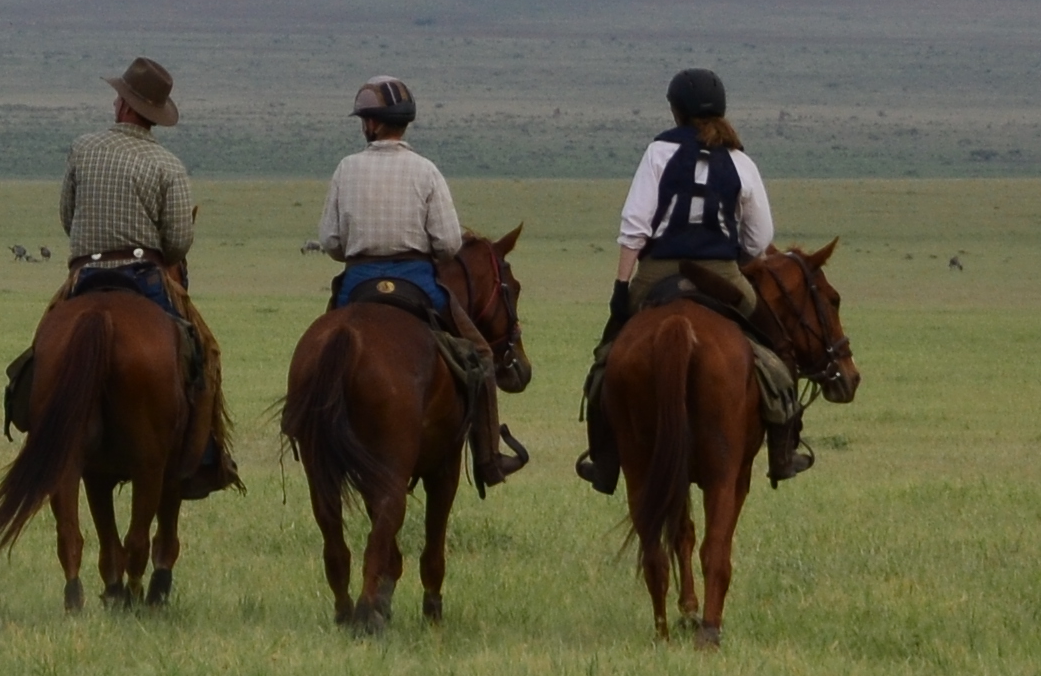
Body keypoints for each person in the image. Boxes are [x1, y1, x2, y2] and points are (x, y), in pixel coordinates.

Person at [13, 55, 239, 501]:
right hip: (146, 277)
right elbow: (176, 242)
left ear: (124, 105)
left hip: (86, 273)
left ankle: (31, 419)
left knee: (43, 345)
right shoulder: (168, 164)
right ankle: (206, 455)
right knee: (204, 352)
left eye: (118, 97)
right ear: (153, 113)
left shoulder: (83, 148)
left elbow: (67, 216)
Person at [576, 65, 809, 489]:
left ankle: (605, 461)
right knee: (778, 352)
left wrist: (620, 288)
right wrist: (729, 258)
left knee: (606, 360)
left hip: (657, 273)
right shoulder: (741, 161)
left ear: (675, 111)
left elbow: (635, 226)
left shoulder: (657, 153)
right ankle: (784, 451)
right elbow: (761, 238)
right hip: (721, 274)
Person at [308, 75, 524, 489]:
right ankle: (489, 457)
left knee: (320, 349)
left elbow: (332, 242)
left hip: (358, 283)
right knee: (477, 353)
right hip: (417, 283)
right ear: (403, 124)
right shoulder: (426, 171)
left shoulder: (346, 169)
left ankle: (302, 427)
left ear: (372, 124)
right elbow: (446, 244)